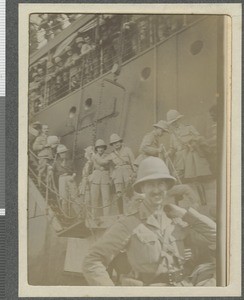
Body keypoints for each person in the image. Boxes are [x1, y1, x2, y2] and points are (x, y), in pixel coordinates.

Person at [82, 157, 216, 286]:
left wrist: (186, 214)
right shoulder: (128, 224)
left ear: (167, 187)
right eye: (151, 184)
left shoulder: (177, 220)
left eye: (161, 183)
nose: (157, 190)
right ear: (142, 188)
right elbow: (92, 260)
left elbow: (218, 236)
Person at [166, 109, 212, 205]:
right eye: (172, 123)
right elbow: (172, 148)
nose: (174, 124)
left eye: (175, 122)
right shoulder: (172, 135)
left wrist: (191, 141)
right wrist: (169, 153)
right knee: (176, 179)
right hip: (179, 159)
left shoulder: (189, 128)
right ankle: (177, 202)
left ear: (178, 120)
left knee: (196, 179)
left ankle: (203, 201)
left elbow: (199, 138)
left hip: (189, 157)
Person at [108, 133, 136, 214]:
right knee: (119, 195)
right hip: (117, 176)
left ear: (120, 142)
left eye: (117, 142)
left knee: (129, 193)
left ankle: (131, 212)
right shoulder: (112, 154)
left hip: (128, 173)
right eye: (114, 143)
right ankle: (121, 213)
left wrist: (134, 173)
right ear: (112, 144)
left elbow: (133, 162)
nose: (116, 144)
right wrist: (111, 177)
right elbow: (111, 167)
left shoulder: (127, 150)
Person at [53, 144, 78, 216]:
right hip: (61, 179)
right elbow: (52, 170)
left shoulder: (70, 161)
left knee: (74, 197)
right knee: (64, 198)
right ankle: (65, 215)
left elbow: (75, 171)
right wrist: (50, 169)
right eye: (61, 153)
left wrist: (73, 177)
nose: (63, 154)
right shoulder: (56, 162)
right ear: (59, 154)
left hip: (70, 178)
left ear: (66, 153)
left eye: (64, 152)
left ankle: (79, 215)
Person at [90, 139, 111, 217]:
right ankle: (93, 216)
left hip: (105, 179)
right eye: (98, 147)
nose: (100, 149)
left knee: (106, 199)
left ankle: (106, 216)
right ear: (96, 148)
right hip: (95, 179)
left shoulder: (108, 156)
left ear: (104, 148)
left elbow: (103, 162)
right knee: (94, 199)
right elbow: (90, 168)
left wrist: (94, 156)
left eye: (102, 147)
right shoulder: (93, 157)